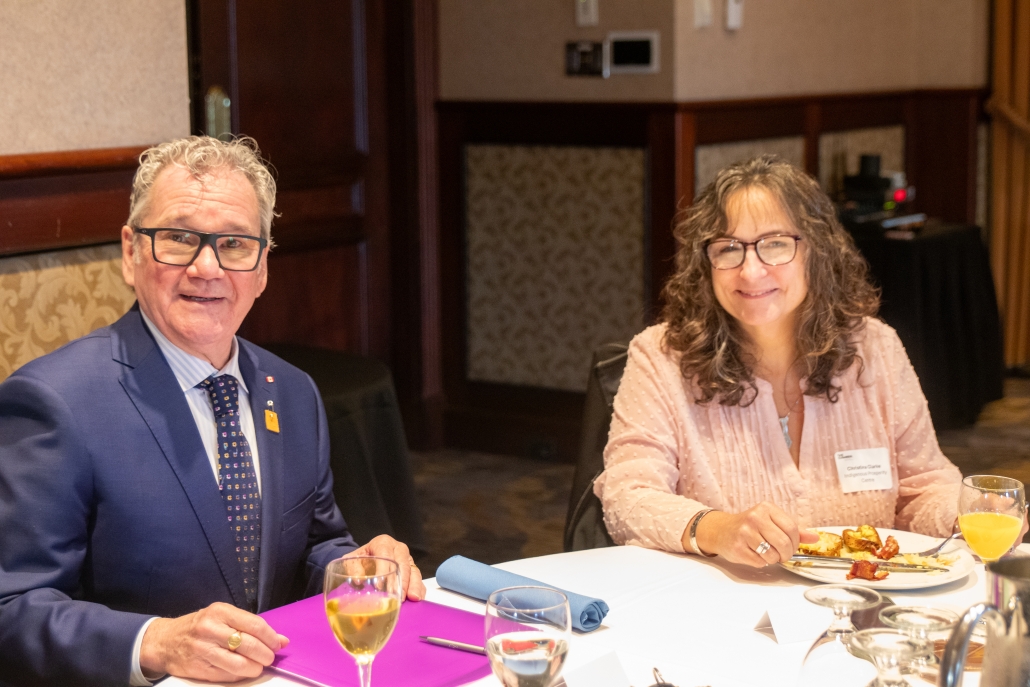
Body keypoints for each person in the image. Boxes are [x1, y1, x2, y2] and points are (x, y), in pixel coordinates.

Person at [0, 136, 425, 686]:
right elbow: (12, 607)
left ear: (262, 267)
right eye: (179, 239)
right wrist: (155, 642)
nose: (207, 267)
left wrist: (356, 571)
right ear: (131, 253)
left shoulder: (292, 391)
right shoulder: (56, 401)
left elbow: (313, 547)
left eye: (235, 244)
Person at [594, 155, 1026, 568]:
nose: (750, 270)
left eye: (775, 245)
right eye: (728, 248)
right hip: (719, 604)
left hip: (859, 603)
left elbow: (921, 488)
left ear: (817, 251)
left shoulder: (873, 348)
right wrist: (717, 528)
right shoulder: (661, 357)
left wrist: (966, 515)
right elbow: (627, 497)